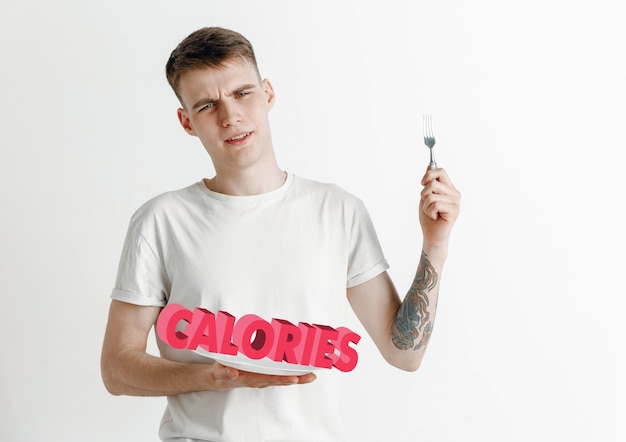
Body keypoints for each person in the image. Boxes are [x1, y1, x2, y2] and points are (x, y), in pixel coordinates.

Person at [101, 26, 461, 441]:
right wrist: (212, 377)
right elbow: (117, 368)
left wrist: (435, 244)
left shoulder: (338, 210)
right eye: (206, 105)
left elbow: (404, 353)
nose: (229, 115)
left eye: (241, 93)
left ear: (268, 93)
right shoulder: (160, 221)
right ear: (186, 122)